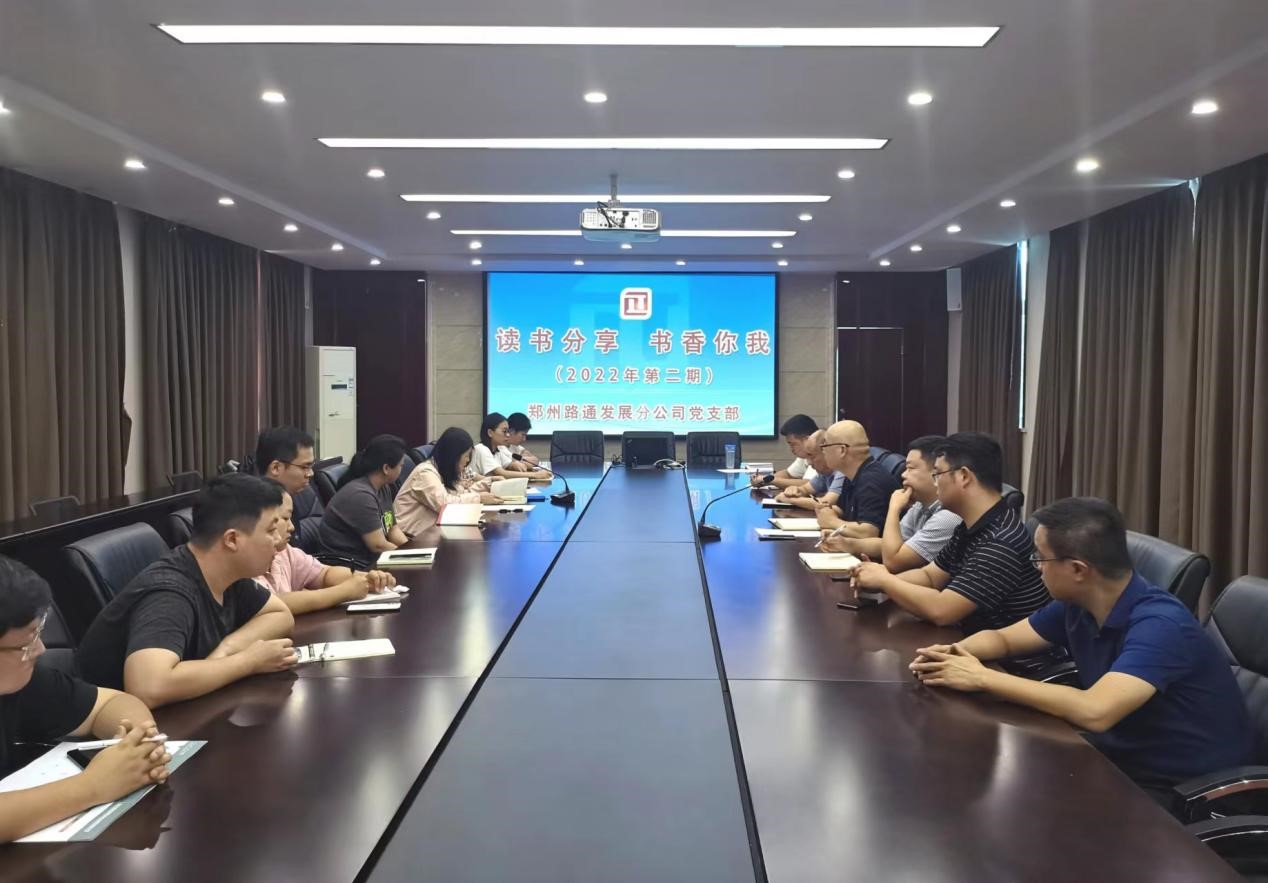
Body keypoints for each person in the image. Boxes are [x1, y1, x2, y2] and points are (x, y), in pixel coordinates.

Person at [910, 497, 1254, 796]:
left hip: (1182, 787)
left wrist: (982, 678)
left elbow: (1096, 711)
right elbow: (1003, 639)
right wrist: (953, 654)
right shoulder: (1078, 604)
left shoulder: (1161, 625)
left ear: (1078, 569)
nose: (1035, 567)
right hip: (1122, 757)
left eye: (1040, 558)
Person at [75, 474, 297, 710]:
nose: (278, 540)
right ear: (232, 539)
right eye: (271, 530)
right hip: (117, 726)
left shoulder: (227, 574)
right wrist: (247, 661)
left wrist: (227, 650)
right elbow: (148, 687)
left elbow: (280, 615)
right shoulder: (169, 593)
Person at [0, 556, 171, 843]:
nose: (40, 649)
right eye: (27, 644)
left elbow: (109, 703)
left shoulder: (21, 682)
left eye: (38, 633)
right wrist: (92, 786)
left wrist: (137, 741)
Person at [851, 432, 1049, 631]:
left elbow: (942, 610)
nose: (935, 483)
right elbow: (930, 576)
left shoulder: (1000, 541)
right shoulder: (970, 525)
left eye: (937, 474)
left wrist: (885, 581)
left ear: (964, 476)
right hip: (968, 637)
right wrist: (877, 579)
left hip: (999, 649)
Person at [822, 435, 962, 571]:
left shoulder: (948, 516)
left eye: (911, 468)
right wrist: (846, 544)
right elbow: (888, 545)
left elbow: (893, 561)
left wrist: (894, 508)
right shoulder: (920, 505)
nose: (903, 474)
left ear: (936, 471)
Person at [260, 489, 397, 614]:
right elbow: (271, 604)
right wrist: (344, 591)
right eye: (285, 518)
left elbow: (324, 574)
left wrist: (364, 580)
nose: (292, 527)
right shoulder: (249, 565)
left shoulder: (285, 552)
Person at [318, 434, 411, 568]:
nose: (401, 469)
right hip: (348, 564)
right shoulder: (361, 496)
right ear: (386, 468)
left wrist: (413, 551)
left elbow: (392, 529)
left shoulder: (383, 488)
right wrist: (408, 558)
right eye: (401, 465)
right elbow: (378, 545)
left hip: (367, 558)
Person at [394, 428, 505, 535]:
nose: (467, 461)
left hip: (431, 533)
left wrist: (489, 483)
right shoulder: (425, 473)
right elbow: (445, 505)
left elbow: (459, 495)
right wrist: (479, 498)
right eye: (466, 456)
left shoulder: (442, 471)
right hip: (411, 539)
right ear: (453, 456)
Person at [813, 420, 900, 535]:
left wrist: (832, 521)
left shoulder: (871, 481)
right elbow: (844, 510)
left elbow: (868, 532)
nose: (823, 451)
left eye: (825, 446)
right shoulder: (852, 473)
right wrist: (827, 510)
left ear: (842, 450)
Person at [253, 426, 322, 550]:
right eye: (305, 467)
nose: (310, 473)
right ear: (276, 468)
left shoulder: (291, 496)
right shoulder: (254, 511)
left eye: (311, 466)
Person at [775, 431, 843, 512]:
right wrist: (794, 490)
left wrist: (790, 500)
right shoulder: (825, 472)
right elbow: (805, 489)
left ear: (826, 452)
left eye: (812, 456)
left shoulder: (842, 471)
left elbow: (826, 503)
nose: (809, 462)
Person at [472, 413, 550, 481]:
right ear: (490, 433)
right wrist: (535, 475)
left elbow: (511, 465)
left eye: (508, 431)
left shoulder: (498, 450)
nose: (508, 435)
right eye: (504, 431)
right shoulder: (481, 449)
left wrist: (516, 465)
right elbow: (501, 473)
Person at [752, 414, 819, 489]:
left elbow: (810, 484)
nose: (791, 449)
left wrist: (772, 481)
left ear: (807, 440)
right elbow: (788, 474)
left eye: (793, 444)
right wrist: (764, 480)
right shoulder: (804, 456)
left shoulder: (820, 455)